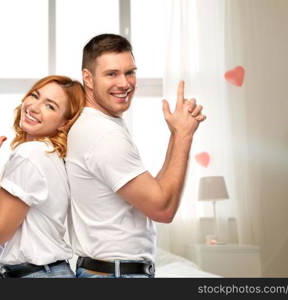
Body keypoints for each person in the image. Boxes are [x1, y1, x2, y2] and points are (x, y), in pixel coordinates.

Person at [66, 34, 206, 278]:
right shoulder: (103, 135)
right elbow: (163, 209)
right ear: (88, 78)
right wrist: (184, 136)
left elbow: (154, 191)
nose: (125, 83)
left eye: (130, 72)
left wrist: (176, 134)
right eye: (112, 74)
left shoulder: (100, 125)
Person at [0, 75, 85, 278]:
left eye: (50, 106)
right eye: (35, 95)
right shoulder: (47, 154)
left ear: (64, 123)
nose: (34, 107)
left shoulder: (30, 154)